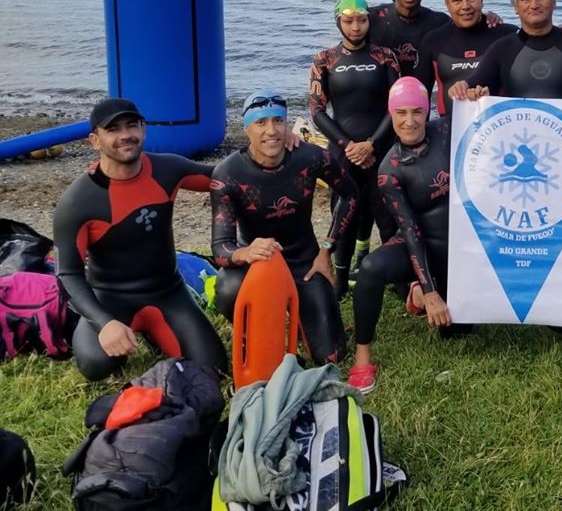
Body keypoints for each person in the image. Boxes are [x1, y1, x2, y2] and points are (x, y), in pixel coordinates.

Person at [53, 98, 227, 381]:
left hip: (168, 292)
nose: (125, 135)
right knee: (95, 364)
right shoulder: (77, 203)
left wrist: (269, 144)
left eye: (131, 125)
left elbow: (228, 177)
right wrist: (104, 322)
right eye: (113, 129)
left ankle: (155, 333)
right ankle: (105, 329)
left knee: (213, 370)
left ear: (143, 129)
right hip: (110, 297)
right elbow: (67, 273)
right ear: (95, 141)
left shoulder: (167, 170)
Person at [210, 91, 360, 365]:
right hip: (258, 265)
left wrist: (327, 249)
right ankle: (253, 329)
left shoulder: (311, 157)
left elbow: (350, 194)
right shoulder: (228, 173)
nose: (271, 131)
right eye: (261, 122)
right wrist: (246, 252)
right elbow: (220, 248)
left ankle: (304, 316)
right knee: (227, 286)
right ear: (246, 129)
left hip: (306, 262)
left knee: (332, 357)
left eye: (278, 121)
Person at [347, 77, 452, 393]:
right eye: (401, 113)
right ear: (391, 115)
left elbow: (495, 120)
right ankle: (363, 355)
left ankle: (415, 294)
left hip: (460, 248)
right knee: (371, 268)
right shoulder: (389, 170)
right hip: (421, 243)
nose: (410, 121)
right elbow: (409, 230)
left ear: (427, 110)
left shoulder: (447, 131)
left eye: (417, 112)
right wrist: (429, 288)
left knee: (456, 332)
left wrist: (474, 93)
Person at [309, 0, 400, 298]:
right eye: (349, 21)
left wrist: (372, 144)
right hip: (343, 152)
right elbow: (317, 110)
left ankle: (396, 279)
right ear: (339, 22)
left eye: (362, 20)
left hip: (380, 148)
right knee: (342, 218)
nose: (356, 27)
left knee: (387, 215)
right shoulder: (324, 60)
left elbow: (395, 105)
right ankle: (340, 282)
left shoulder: (385, 56)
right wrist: (349, 145)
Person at [414, 0, 517, 116]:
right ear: (447, 3)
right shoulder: (433, 41)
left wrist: (561, 31)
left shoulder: (507, 35)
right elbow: (419, 96)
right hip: (449, 130)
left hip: (498, 128)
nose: (465, 6)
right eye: (457, 0)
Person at [367, 0, 449, 77]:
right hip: (381, 95)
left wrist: (486, 20)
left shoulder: (440, 22)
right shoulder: (372, 18)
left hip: (421, 94)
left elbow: (469, 34)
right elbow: (345, 20)